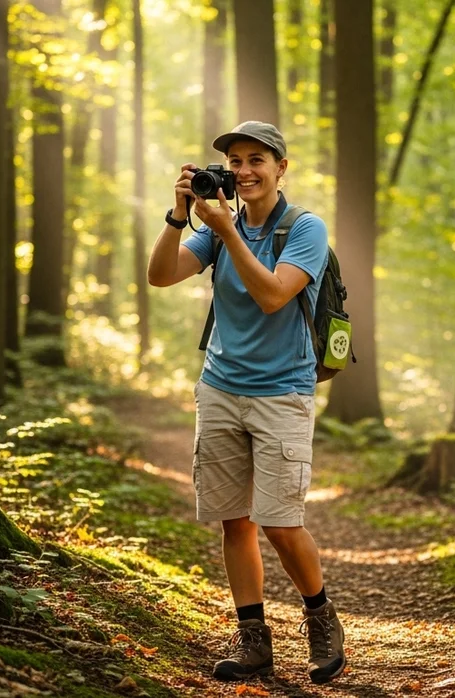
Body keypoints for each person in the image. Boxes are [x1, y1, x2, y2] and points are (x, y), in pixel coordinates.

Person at [146, 121, 346, 685]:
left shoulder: (303, 228)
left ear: (281, 167)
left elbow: (273, 296)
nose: (243, 171)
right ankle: (254, 639)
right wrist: (178, 214)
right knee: (234, 521)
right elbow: (160, 276)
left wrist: (228, 231)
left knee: (280, 522)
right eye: (234, 161)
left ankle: (322, 618)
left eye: (256, 159)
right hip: (219, 390)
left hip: (282, 393)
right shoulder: (212, 228)